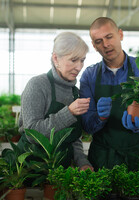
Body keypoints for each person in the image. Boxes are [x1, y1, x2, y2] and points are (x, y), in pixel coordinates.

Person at [80, 17, 139, 171]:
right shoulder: (89, 76)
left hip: (136, 155)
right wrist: (99, 117)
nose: (106, 44)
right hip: (102, 157)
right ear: (94, 46)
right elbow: (87, 125)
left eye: (109, 37)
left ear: (120, 35)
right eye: (98, 41)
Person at [18, 32, 93, 171]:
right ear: (56, 59)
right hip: (30, 170)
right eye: (74, 60)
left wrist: (82, 162)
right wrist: (69, 112)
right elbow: (32, 133)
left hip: (59, 173)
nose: (79, 67)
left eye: (82, 60)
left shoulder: (75, 92)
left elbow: (73, 137)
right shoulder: (37, 85)